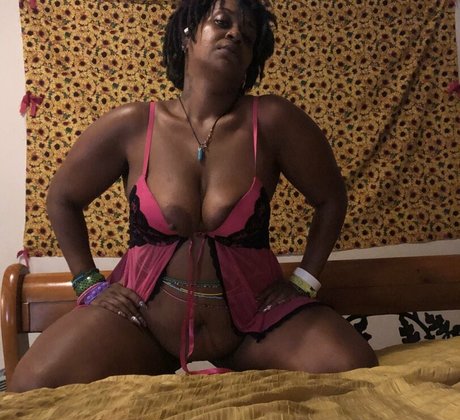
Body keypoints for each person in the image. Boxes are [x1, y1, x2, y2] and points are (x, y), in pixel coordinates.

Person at [10, 0, 377, 392]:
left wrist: (304, 282)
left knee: (353, 365)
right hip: (144, 326)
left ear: (252, 57)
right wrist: (89, 283)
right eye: (221, 22)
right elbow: (62, 198)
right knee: (32, 382)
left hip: (253, 327)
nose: (235, 34)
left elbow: (331, 199)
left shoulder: (273, 121)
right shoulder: (133, 125)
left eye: (248, 35)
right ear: (187, 35)